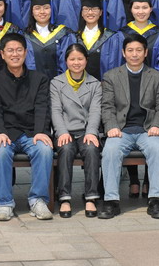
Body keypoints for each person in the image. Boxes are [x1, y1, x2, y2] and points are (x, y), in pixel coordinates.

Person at [99, 33, 159, 219]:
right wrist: (111, 126)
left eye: (139, 50)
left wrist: (157, 125)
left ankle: (156, 200)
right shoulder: (112, 76)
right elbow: (107, 106)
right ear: (123, 53)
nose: (134, 54)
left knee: (158, 149)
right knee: (110, 150)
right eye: (130, 50)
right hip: (122, 130)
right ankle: (111, 201)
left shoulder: (156, 77)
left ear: (146, 53)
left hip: (147, 130)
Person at [0, 32, 54, 221]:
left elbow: (42, 107)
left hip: (32, 132)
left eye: (18, 50)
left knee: (44, 149)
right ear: (2, 54)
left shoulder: (39, 79)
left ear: (25, 52)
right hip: (6, 132)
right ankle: (5, 203)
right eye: (10, 50)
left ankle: (38, 200)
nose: (14, 54)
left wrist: (41, 132)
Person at [50, 43, 102, 217]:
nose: (76, 63)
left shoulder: (95, 84)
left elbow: (95, 111)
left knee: (92, 149)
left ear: (86, 60)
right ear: (66, 61)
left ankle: (91, 197)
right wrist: (62, 132)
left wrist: (91, 132)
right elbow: (56, 110)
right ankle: (64, 198)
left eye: (80, 59)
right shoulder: (56, 83)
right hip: (66, 130)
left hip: (86, 130)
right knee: (65, 149)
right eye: (72, 59)